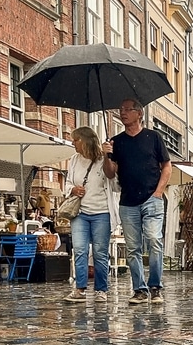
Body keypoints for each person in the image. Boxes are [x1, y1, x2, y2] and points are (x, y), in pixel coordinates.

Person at [102, 99, 172, 305]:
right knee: (133, 248)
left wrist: (159, 192)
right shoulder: (117, 142)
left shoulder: (153, 137)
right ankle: (139, 289)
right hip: (128, 201)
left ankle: (155, 287)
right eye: (120, 109)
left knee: (154, 240)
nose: (123, 113)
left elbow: (167, 166)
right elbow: (110, 173)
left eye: (127, 109)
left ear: (139, 114)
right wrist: (106, 155)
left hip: (152, 198)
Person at [65, 126, 119, 303]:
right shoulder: (74, 160)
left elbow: (115, 183)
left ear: (85, 141)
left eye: (76, 140)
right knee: (80, 250)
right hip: (80, 212)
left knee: (100, 252)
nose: (73, 143)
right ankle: (80, 289)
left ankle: (101, 290)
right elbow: (67, 183)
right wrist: (73, 189)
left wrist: (107, 157)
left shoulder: (104, 159)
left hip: (101, 212)